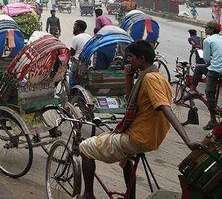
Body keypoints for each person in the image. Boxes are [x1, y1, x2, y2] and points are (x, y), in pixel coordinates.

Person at [77, 40, 200, 199]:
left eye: (131, 57)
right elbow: (130, 102)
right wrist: (128, 77)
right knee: (125, 159)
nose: (129, 60)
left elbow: (165, 108)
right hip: (150, 137)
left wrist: (188, 141)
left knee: (85, 147)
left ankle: (88, 195)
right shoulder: (158, 76)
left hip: (139, 137)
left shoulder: (150, 79)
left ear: (142, 58)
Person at [186, 21, 222, 129]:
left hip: (216, 70)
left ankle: (212, 120)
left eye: (207, 28)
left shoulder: (208, 40)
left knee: (209, 92)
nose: (205, 30)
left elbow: (206, 59)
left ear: (211, 30)